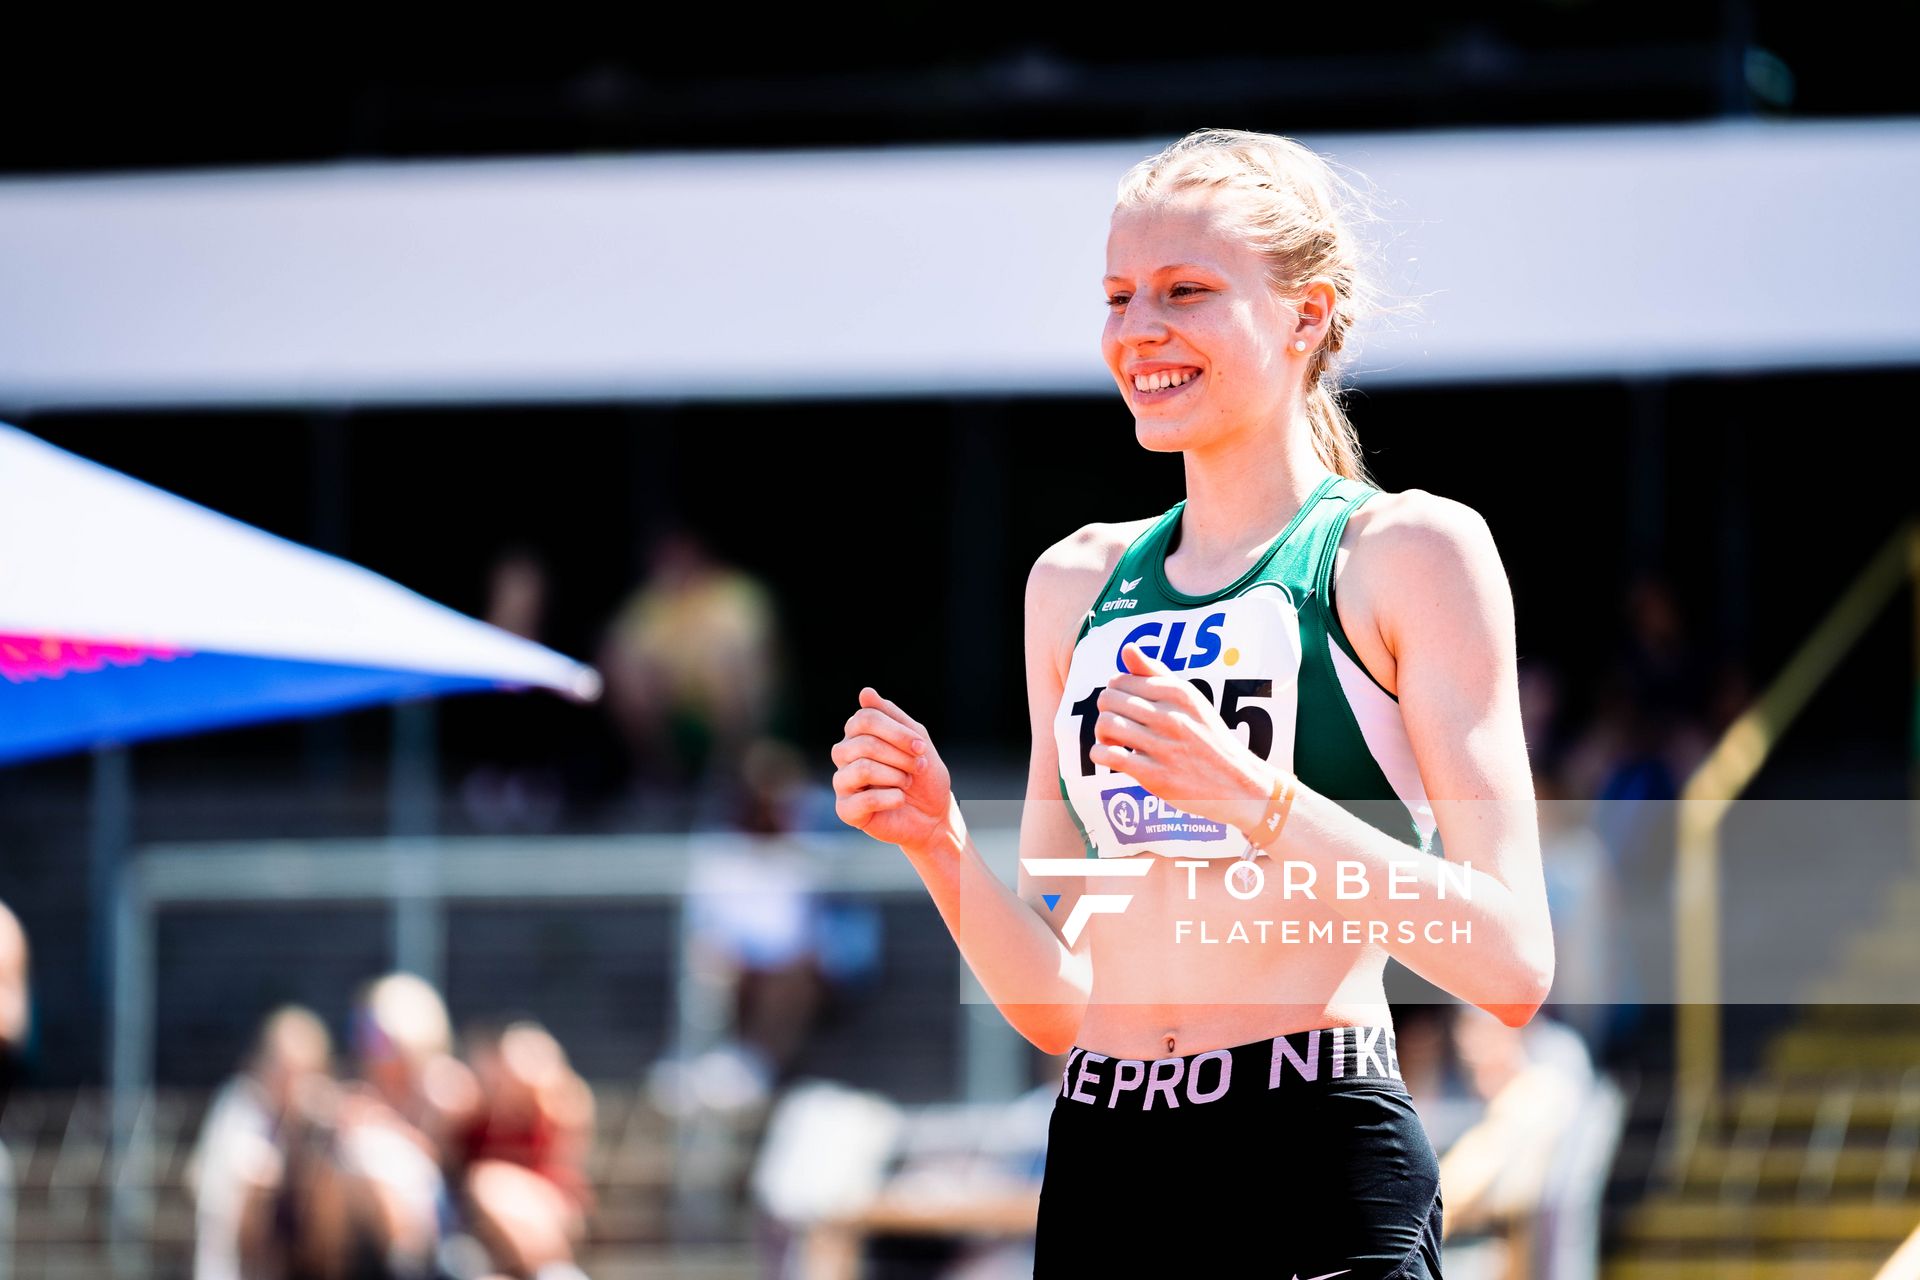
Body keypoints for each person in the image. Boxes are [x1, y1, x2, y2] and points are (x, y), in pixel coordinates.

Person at [830, 128, 1555, 1275]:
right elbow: (1060, 1004)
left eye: (1186, 291)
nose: (1138, 331)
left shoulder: (1408, 551)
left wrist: (1265, 802)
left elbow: (1514, 964)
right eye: (1118, 295)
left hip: (1313, 1149)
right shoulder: (1073, 582)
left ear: (1305, 315)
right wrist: (939, 840)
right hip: (1106, 1164)